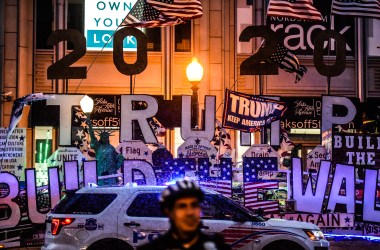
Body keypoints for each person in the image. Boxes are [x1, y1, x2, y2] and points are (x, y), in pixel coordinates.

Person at [137, 179, 231, 250]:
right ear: (168, 211)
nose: (190, 212)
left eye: (194, 205)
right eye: (182, 206)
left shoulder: (218, 246)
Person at [86, 117, 124, 185]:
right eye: (104, 137)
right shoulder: (98, 146)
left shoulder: (112, 148)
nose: (105, 138)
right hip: (101, 171)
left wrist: (120, 159)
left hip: (111, 172)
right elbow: (92, 136)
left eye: (107, 137)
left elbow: (115, 160)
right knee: (102, 189)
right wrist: (90, 125)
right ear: (101, 138)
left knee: (112, 188)